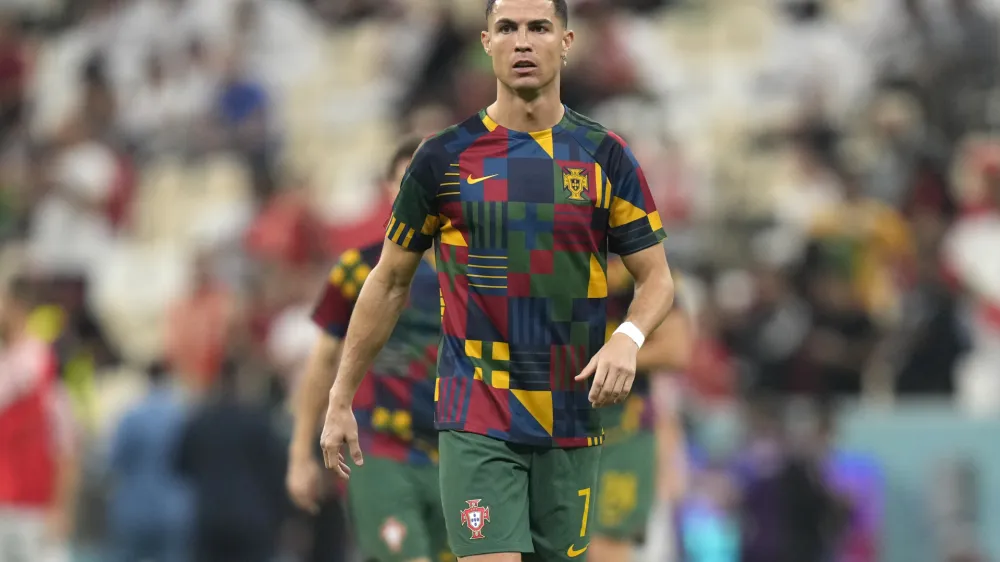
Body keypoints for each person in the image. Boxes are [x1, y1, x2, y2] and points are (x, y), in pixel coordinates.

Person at [319, 0, 676, 559]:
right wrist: (341, 396)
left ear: (567, 41)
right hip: (477, 415)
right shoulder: (442, 159)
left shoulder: (606, 156)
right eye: (507, 28)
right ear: (486, 43)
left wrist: (627, 340)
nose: (523, 41)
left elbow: (656, 279)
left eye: (539, 27)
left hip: (571, 414)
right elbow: (388, 282)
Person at [286, 137, 453, 562]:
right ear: (391, 190)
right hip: (383, 449)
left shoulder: (481, 270)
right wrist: (300, 452)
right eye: (410, 180)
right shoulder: (360, 269)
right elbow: (323, 360)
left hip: (462, 453)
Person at [589, 260, 693, 562]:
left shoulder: (644, 271)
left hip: (623, 435)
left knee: (605, 547)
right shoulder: (549, 257)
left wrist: (602, 359)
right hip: (558, 426)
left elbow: (676, 349)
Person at [175, 359, 287, 562]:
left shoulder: (200, 420)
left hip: (210, 518)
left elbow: (180, 465)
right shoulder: (258, 421)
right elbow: (277, 470)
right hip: (253, 518)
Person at [0, 276, 77, 562]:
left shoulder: (40, 364)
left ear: (15, 307)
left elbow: (66, 447)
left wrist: (60, 508)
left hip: (34, 508)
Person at [106, 361, 192, 562]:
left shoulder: (130, 417)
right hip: (174, 510)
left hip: (133, 508)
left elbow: (114, 461)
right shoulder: (183, 417)